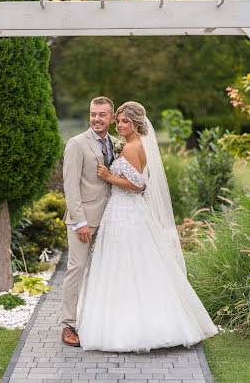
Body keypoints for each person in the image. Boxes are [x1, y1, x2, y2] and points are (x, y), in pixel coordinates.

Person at [76, 101, 218, 352]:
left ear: (136, 123)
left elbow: (139, 185)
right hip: (125, 211)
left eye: (124, 121)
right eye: (118, 121)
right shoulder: (132, 144)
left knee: (127, 264)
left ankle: (132, 327)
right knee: (135, 263)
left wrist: (109, 177)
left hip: (126, 211)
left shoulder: (132, 147)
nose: (119, 125)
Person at [61, 96, 142, 346]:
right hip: (84, 221)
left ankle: (96, 321)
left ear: (111, 119)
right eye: (93, 114)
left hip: (112, 221)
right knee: (76, 269)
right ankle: (68, 324)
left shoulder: (118, 144)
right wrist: (79, 222)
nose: (96, 118)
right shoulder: (76, 144)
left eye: (102, 115)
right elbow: (70, 186)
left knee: (104, 273)